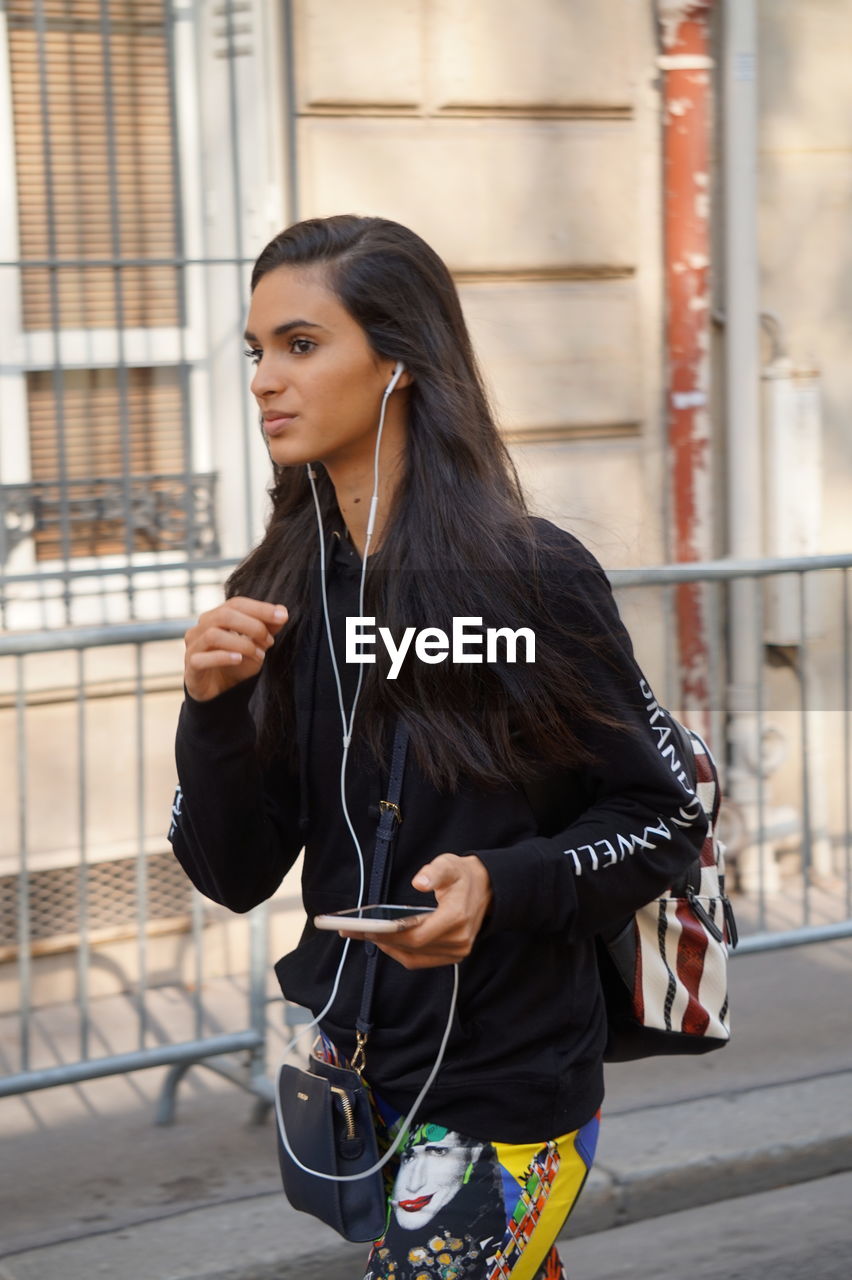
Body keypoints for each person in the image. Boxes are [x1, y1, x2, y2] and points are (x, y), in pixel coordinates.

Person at [168, 214, 707, 1279]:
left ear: (400, 359)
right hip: (361, 1079)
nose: (264, 378)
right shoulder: (276, 593)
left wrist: (499, 887)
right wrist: (213, 711)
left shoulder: (533, 580)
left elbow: (665, 814)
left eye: (301, 344)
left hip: (506, 1086)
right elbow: (230, 871)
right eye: (256, 350)